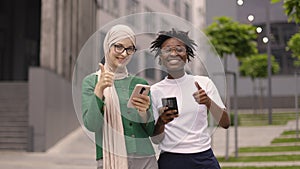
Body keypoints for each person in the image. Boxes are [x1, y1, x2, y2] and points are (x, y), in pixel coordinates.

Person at [150, 28, 230, 169]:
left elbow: (225, 123)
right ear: (160, 58)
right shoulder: (155, 91)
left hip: (203, 158)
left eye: (179, 49)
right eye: (168, 50)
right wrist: (161, 122)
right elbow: (156, 140)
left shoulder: (204, 83)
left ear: (187, 55)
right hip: (170, 159)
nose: (174, 53)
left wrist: (208, 102)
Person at [82, 24, 158, 169]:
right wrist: (99, 89)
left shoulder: (140, 83)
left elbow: (151, 131)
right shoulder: (92, 82)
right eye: (119, 46)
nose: (124, 54)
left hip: (145, 159)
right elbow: (92, 125)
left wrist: (143, 113)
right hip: (109, 157)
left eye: (130, 49)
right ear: (108, 46)